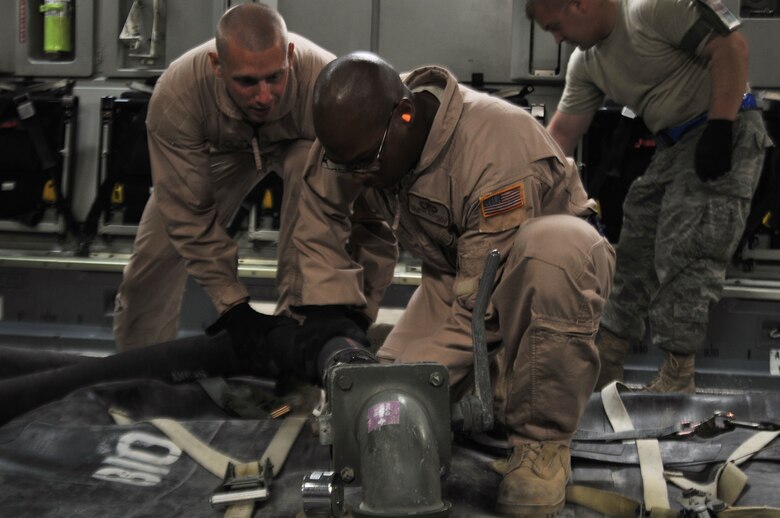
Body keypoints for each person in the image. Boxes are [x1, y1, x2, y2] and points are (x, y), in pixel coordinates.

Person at [287, 52, 615, 516]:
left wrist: (413, 382)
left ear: (405, 114)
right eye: (348, 166)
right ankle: (496, 392)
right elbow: (320, 221)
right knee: (374, 421)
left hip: (545, 275)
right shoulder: (358, 131)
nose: (359, 176)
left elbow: (480, 309)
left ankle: (541, 444)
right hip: (454, 277)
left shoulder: (494, 148)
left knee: (553, 251)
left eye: (366, 163)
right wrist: (337, 331)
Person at [113, 4, 396, 351]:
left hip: (302, 145)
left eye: (275, 77)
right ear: (218, 66)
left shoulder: (327, 88)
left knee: (307, 172)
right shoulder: (179, 95)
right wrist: (232, 305)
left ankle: (295, 362)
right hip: (223, 152)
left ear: (290, 56)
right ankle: (138, 377)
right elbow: (185, 213)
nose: (263, 97)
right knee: (154, 258)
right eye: (247, 81)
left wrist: (361, 312)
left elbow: (370, 216)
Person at [526, 0, 773, 392]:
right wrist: (521, 195)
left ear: (580, 4)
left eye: (556, 26)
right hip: (673, 146)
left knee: (688, 251)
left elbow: (731, 46)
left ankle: (677, 377)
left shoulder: (652, 8)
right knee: (634, 251)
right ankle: (606, 365)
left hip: (725, 129)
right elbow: (561, 137)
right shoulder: (585, 63)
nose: (557, 38)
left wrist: (721, 127)